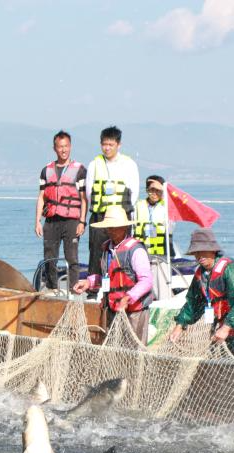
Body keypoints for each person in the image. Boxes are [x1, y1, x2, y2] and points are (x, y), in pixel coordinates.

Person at [168, 229, 234, 360]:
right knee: (228, 368)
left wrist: (225, 328)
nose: (199, 256)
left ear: (213, 250)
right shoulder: (201, 274)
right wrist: (180, 325)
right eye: (196, 252)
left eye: (203, 251)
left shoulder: (230, 269)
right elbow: (193, 303)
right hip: (229, 331)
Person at [72, 206, 153, 343]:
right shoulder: (106, 248)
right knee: (114, 348)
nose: (111, 231)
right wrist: (88, 283)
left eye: (115, 227)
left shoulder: (136, 250)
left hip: (134, 311)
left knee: (134, 349)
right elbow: (106, 277)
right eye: (109, 227)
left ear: (125, 227)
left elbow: (146, 281)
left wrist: (128, 298)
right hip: (112, 309)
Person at [85, 126, 140, 299]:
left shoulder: (129, 164)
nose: (107, 148)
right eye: (104, 144)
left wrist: (121, 213)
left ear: (118, 145)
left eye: (111, 144)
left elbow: (134, 191)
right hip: (100, 215)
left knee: (121, 251)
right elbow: (89, 191)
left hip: (121, 216)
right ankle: (93, 291)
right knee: (96, 251)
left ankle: (123, 287)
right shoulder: (94, 164)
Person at [35, 131, 87, 292]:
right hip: (51, 220)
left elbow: (84, 199)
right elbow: (41, 197)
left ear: (70, 147)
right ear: (54, 148)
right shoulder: (46, 170)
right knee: (49, 257)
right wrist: (37, 221)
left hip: (71, 220)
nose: (63, 150)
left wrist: (82, 222)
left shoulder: (80, 170)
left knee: (72, 257)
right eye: (60, 147)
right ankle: (52, 289)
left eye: (66, 146)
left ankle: (73, 291)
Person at [134, 176, 174, 258]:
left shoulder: (167, 207)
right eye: (152, 190)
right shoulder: (138, 206)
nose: (155, 193)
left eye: (158, 190)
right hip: (141, 251)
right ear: (147, 190)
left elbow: (170, 229)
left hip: (162, 252)